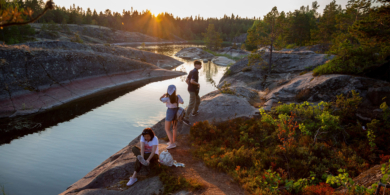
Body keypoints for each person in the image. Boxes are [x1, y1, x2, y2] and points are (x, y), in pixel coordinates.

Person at [160, 85, 184, 149]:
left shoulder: (167, 98)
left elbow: (161, 99)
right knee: (174, 128)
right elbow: (182, 102)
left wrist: (163, 95)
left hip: (170, 112)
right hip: (176, 112)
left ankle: (172, 144)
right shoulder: (177, 96)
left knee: (167, 129)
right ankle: (173, 142)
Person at [182, 60, 202, 126]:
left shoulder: (191, 71)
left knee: (198, 100)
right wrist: (198, 84)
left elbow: (186, 80)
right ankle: (185, 118)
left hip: (192, 90)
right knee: (191, 104)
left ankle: (194, 112)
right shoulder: (195, 72)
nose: (201, 66)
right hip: (193, 90)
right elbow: (192, 81)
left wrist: (190, 86)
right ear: (196, 65)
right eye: (200, 65)